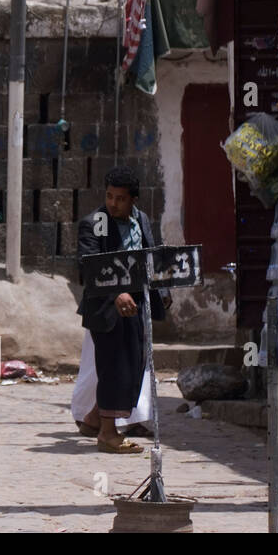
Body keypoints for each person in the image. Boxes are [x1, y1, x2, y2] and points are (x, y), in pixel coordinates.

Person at [74, 165, 169, 454]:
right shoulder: (97, 223)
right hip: (105, 307)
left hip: (136, 305)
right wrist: (116, 293)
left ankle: (92, 419)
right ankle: (107, 434)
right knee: (114, 367)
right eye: (109, 196)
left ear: (133, 199)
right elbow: (88, 266)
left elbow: (149, 256)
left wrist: (160, 290)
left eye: (120, 198)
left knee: (131, 366)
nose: (113, 203)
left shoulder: (141, 220)